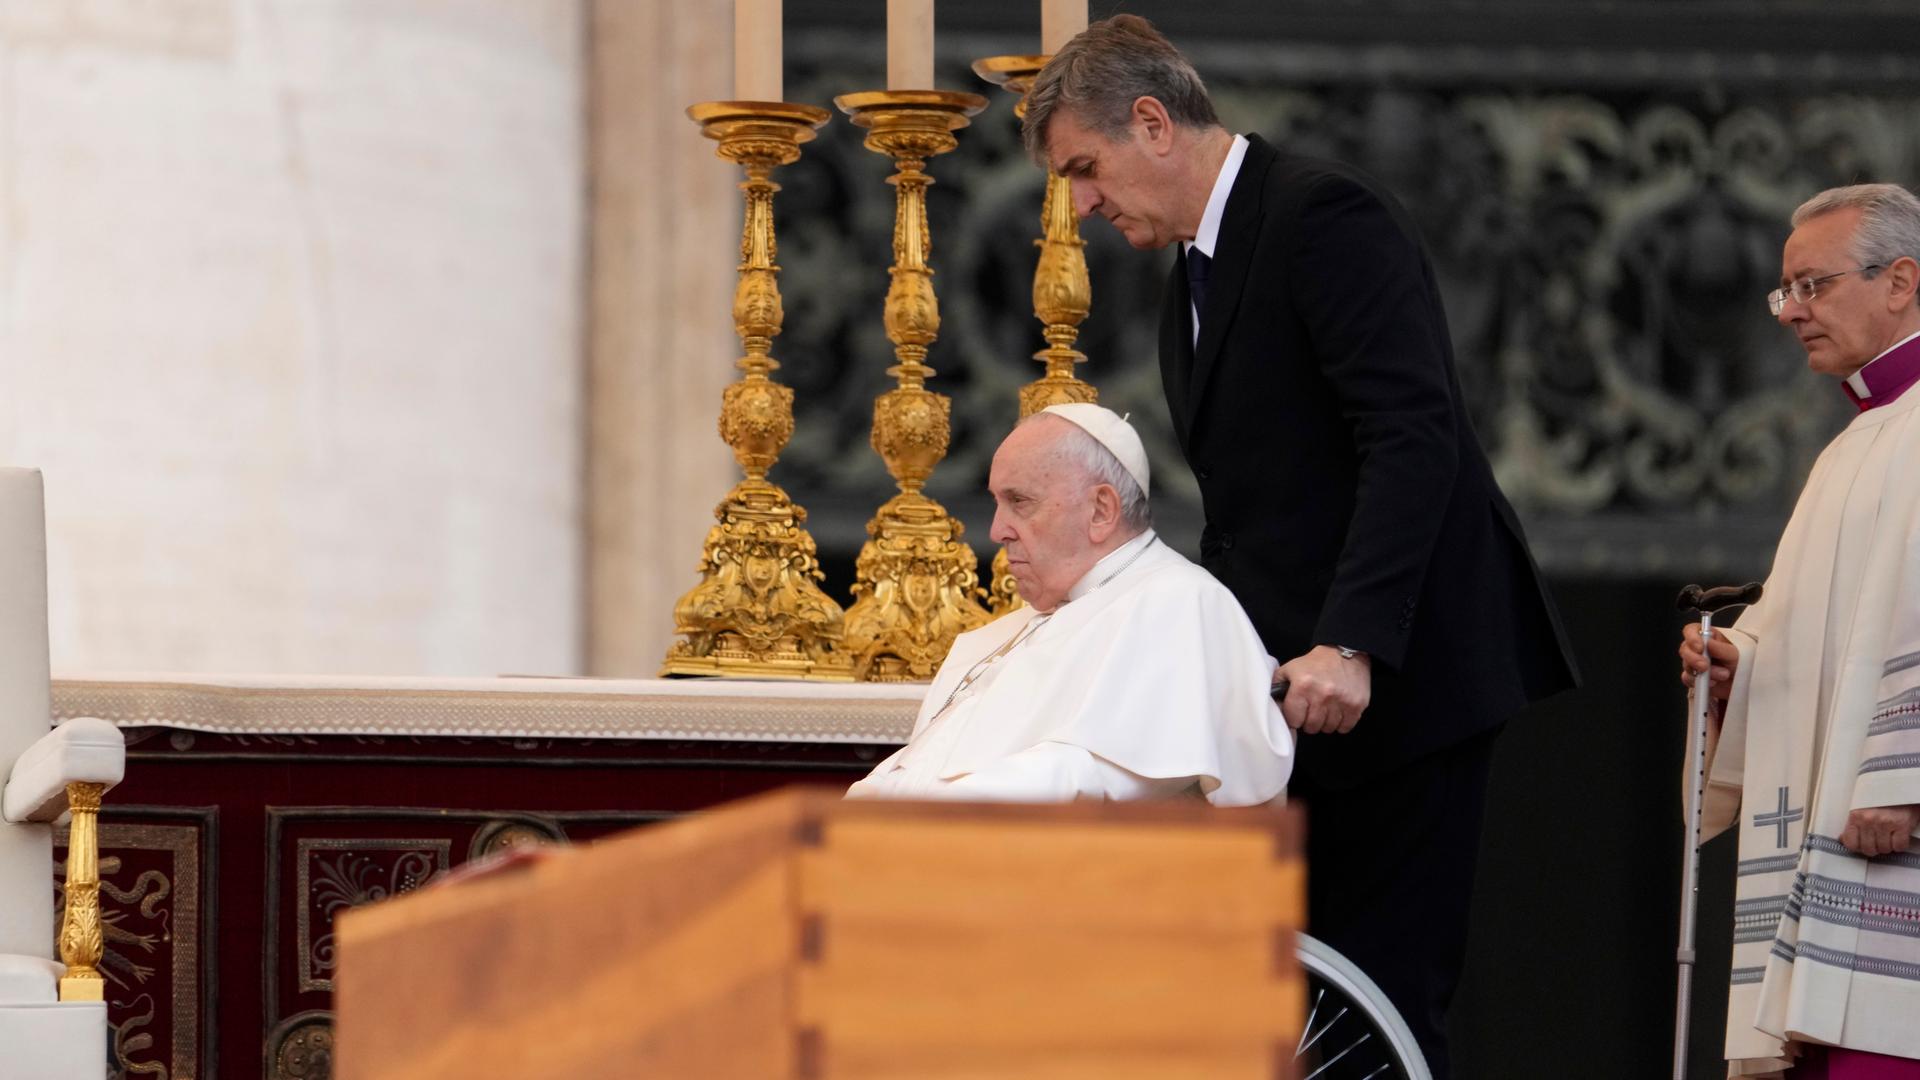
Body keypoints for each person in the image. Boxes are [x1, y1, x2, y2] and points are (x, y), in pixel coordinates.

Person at [1021, 16, 1579, 1075]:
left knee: (1386, 1001)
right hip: (1299, 695)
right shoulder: (1193, 269)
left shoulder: (1324, 216)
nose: (1082, 205)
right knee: (1285, 1004)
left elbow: (1413, 439)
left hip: (1405, 678)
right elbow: (1252, 509)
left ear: (1152, 123)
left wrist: (1355, 643)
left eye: (1086, 170)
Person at [1678, 183, 1920, 1078]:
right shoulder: (1850, 448)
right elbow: (1818, 639)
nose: (1791, 313)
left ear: (1901, 281)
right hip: (1844, 838)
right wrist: (1738, 664)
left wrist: (1903, 775)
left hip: (1893, 826)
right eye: (1786, 292)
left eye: (1812, 286)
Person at [847, 404, 1292, 805]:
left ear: (1101, 510)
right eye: (997, 503)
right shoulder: (1011, 631)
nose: (998, 530)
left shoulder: (1182, 604)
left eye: (1019, 502)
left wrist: (910, 816)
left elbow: (1090, 776)